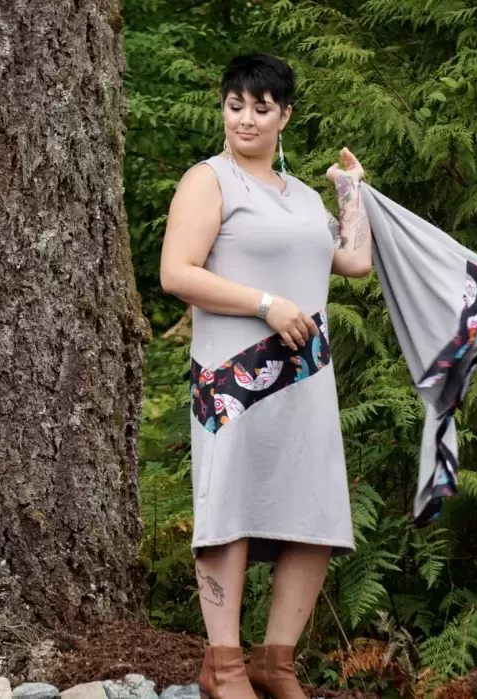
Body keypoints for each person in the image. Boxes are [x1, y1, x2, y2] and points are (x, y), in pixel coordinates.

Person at [159, 53, 373, 699]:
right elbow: (177, 272)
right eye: (234, 105)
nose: (245, 118)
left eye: (260, 107)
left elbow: (356, 260)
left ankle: (274, 663)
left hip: (305, 380)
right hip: (232, 380)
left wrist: (349, 187)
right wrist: (265, 304)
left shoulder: (304, 197)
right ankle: (222, 664)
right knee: (229, 508)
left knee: (314, 514)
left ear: (284, 115)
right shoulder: (209, 180)